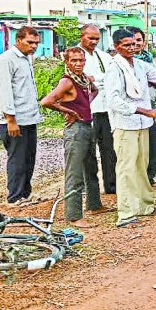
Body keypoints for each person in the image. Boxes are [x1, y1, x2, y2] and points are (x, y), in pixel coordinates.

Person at [105, 29, 156, 228]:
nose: (132, 48)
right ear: (116, 47)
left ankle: (144, 206)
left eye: (134, 44)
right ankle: (125, 213)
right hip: (126, 126)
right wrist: (145, 111)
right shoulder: (114, 68)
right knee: (126, 168)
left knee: (141, 166)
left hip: (142, 124)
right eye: (127, 45)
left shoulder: (139, 64)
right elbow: (114, 101)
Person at [40, 47, 106, 228]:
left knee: (91, 168)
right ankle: (74, 215)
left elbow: (94, 90)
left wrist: (84, 106)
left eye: (81, 60)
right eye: (73, 61)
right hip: (76, 129)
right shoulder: (67, 82)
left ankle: (94, 204)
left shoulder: (83, 79)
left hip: (86, 125)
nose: (78, 64)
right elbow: (46, 101)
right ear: (66, 62)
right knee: (75, 173)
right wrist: (69, 111)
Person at [0, 26, 43, 206]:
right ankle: (14, 197)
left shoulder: (26, 59)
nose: (34, 46)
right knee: (17, 158)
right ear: (18, 40)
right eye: (30, 42)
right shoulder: (6, 60)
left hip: (28, 117)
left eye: (36, 43)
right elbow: (4, 91)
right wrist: (10, 120)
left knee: (29, 157)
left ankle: (25, 194)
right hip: (13, 120)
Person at [80, 24, 117, 195]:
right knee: (89, 152)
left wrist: (97, 79)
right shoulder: (76, 56)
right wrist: (97, 81)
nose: (94, 41)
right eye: (91, 38)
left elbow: (111, 77)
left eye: (97, 38)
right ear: (82, 36)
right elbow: (84, 81)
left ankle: (112, 186)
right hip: (88, 109)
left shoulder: (103, 55)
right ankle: (92, 192)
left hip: (106, 108)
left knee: (109, 149)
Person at [127, 26, 156, 185]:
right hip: (132, 108)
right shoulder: (122, 61)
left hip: (150, 103)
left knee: (152, 141)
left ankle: (150, 175)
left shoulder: (148, 58)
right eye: (132, 41)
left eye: (139, 40)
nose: (135, 44)